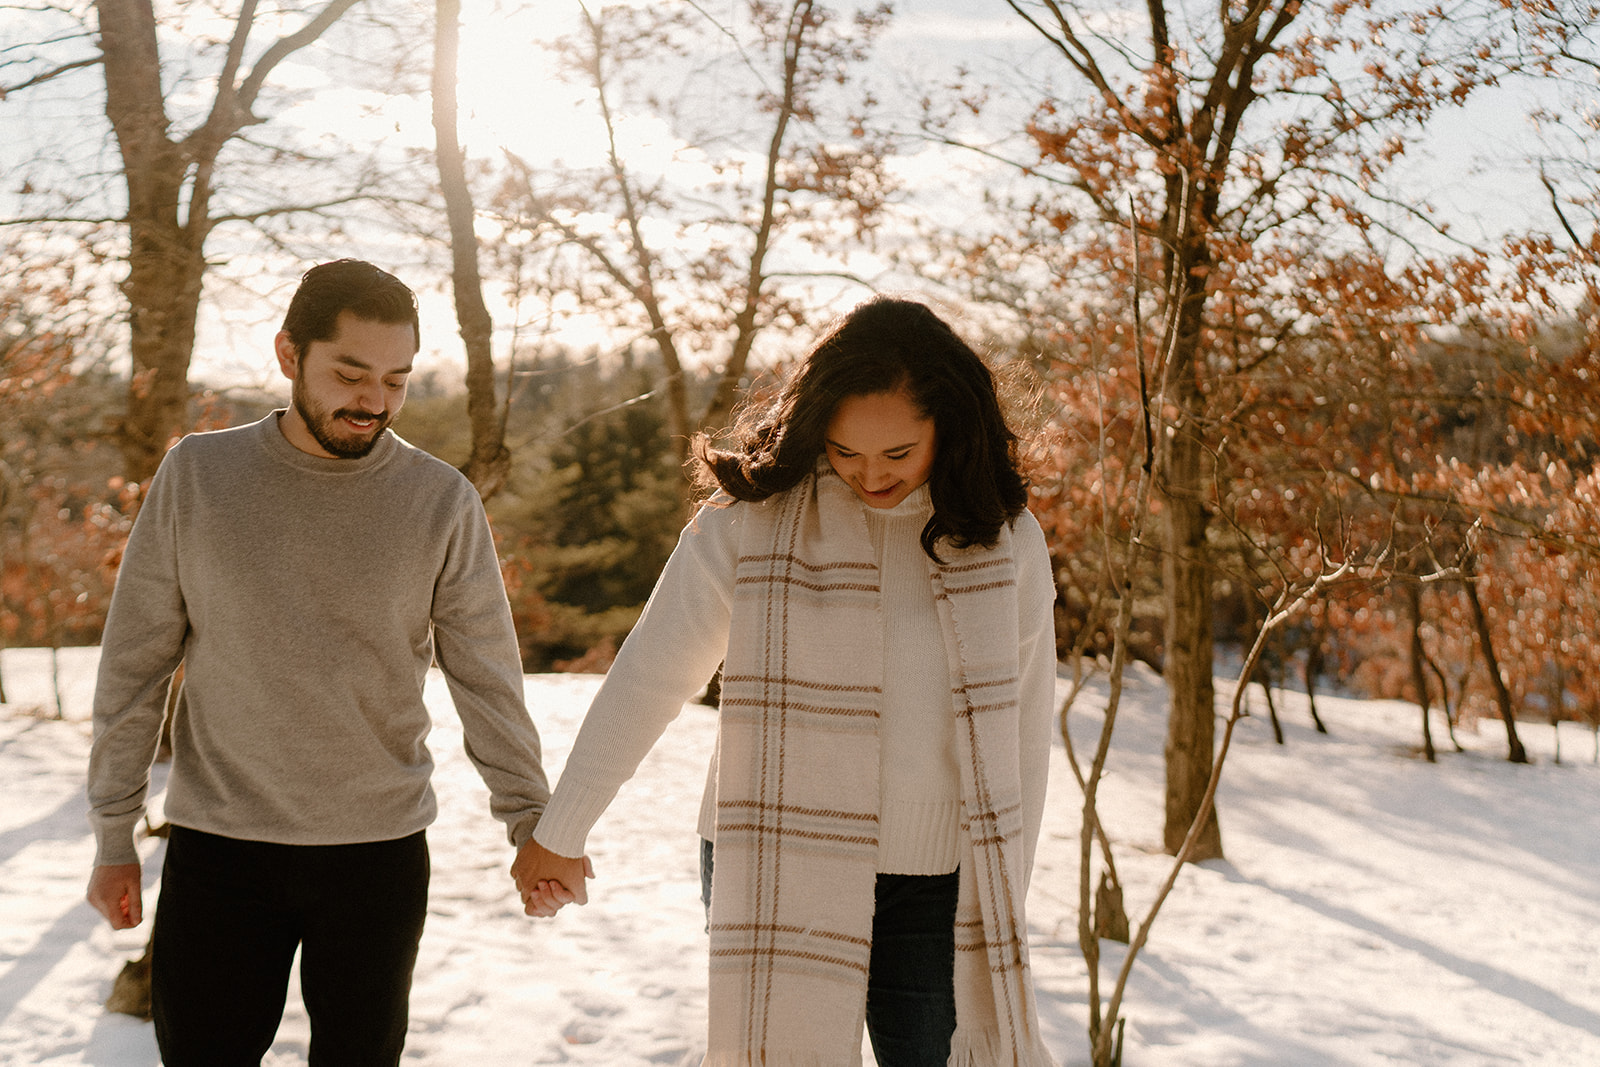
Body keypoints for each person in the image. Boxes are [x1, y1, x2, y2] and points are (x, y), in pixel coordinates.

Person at [513, 296, 1059, 1065]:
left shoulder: (1004, 539)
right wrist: (560, 830)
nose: (870, 474)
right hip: (771, 853)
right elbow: (650, 674)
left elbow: (1023, 729)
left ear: (950, 426)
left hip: (938, 884)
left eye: (898, 454)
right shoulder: (751, 520)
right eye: (844, 450)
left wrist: (1008, 889)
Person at [85, 259, 588, 1065]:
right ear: (289, 354)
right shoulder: (199, 476)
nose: (374, 402)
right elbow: (134, 664)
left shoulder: (440, 500)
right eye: (350, 374)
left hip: (376, 860)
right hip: (220, 850)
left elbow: (487, 677)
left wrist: (530, 822)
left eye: (396, 379)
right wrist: (114, 832)